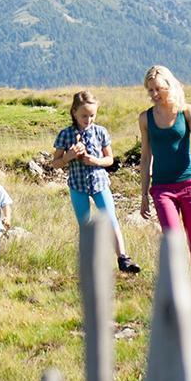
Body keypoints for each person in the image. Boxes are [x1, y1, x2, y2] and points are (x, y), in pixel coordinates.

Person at [48, 91, 142, 274]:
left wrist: (95, 161)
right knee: (85, 223)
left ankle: (123, 258)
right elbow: (55, 163)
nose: (88, 119)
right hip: (77, 185)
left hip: (100, 183)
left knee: (111, 218)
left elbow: (110, 159)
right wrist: (69, 156)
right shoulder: (66, 135)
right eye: (84, 115)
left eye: (92, 115)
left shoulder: (100, 132)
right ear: (74, 112)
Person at [137, 65, 191, 283]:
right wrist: (144, 195)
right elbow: (145, 158)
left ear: (169, 86)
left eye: (157, 89)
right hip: (161, 188)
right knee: (172, 238)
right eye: (149, 90)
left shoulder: (187, 111)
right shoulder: (145, 118)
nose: (153, 94)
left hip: (190, 183)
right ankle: (178, 284)